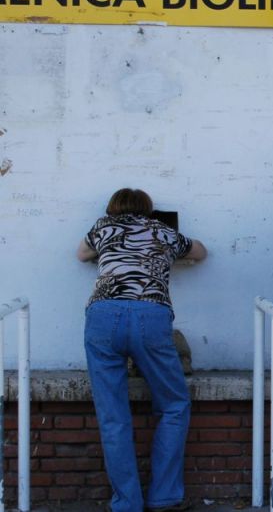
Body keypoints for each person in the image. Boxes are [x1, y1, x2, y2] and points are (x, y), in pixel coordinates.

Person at [77, 188, 207, 512]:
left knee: (112, 415)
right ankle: (164, 497)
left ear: (111, 208)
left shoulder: (103, 227)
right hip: (151, 314)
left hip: (103, 315)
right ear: (148, 210)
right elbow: (201, 251)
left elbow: (81, 255)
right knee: (174, 405)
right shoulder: (163, 231)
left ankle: (126, 503)